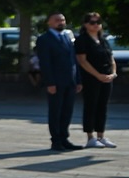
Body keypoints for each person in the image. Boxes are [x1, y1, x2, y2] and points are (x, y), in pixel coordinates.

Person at [35, 12, 81, 151]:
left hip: (70, 81)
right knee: (56, 111)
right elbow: (45, 63)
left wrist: (78, 80)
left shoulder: (67, 37)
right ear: (49, 22)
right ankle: (55, 140)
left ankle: (64, 138)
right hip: (56, 82)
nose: (60, 22)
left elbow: (74, 60)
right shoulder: (44, 39)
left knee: (67, 111)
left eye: (62, 20)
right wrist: (50, 82)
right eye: (57, 20)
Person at [75, 12, 117, 149]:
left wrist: (113, 73)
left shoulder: (103, 39)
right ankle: (90, 137)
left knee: (102, 106)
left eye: (98, 22)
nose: (96, 25)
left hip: (106, 78)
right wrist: (97, 75)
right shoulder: (82, 40)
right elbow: (82, 61)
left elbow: (111, 58)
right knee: (91, 106)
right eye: (92, 23)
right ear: (86, 24)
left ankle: (101, 135)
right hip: (91, 78)